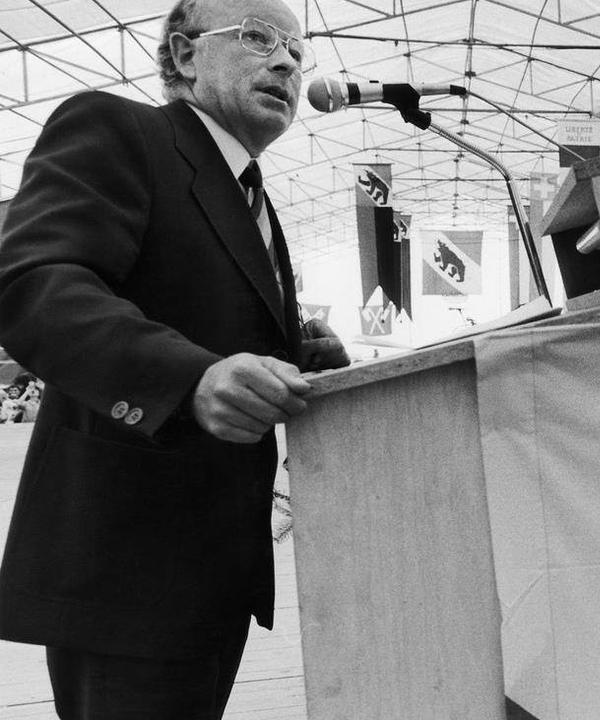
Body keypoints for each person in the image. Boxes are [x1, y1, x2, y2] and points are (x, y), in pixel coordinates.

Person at [0, 0, 352, 715]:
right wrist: (189, 377)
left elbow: (211, 322)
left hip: (215, 571)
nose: (285, 60)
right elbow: (34, 281)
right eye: (257, 37)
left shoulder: (249, 195)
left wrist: (305, 354)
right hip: (127, 574)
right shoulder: (118, 130)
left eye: (295, 47)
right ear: (187, 56)